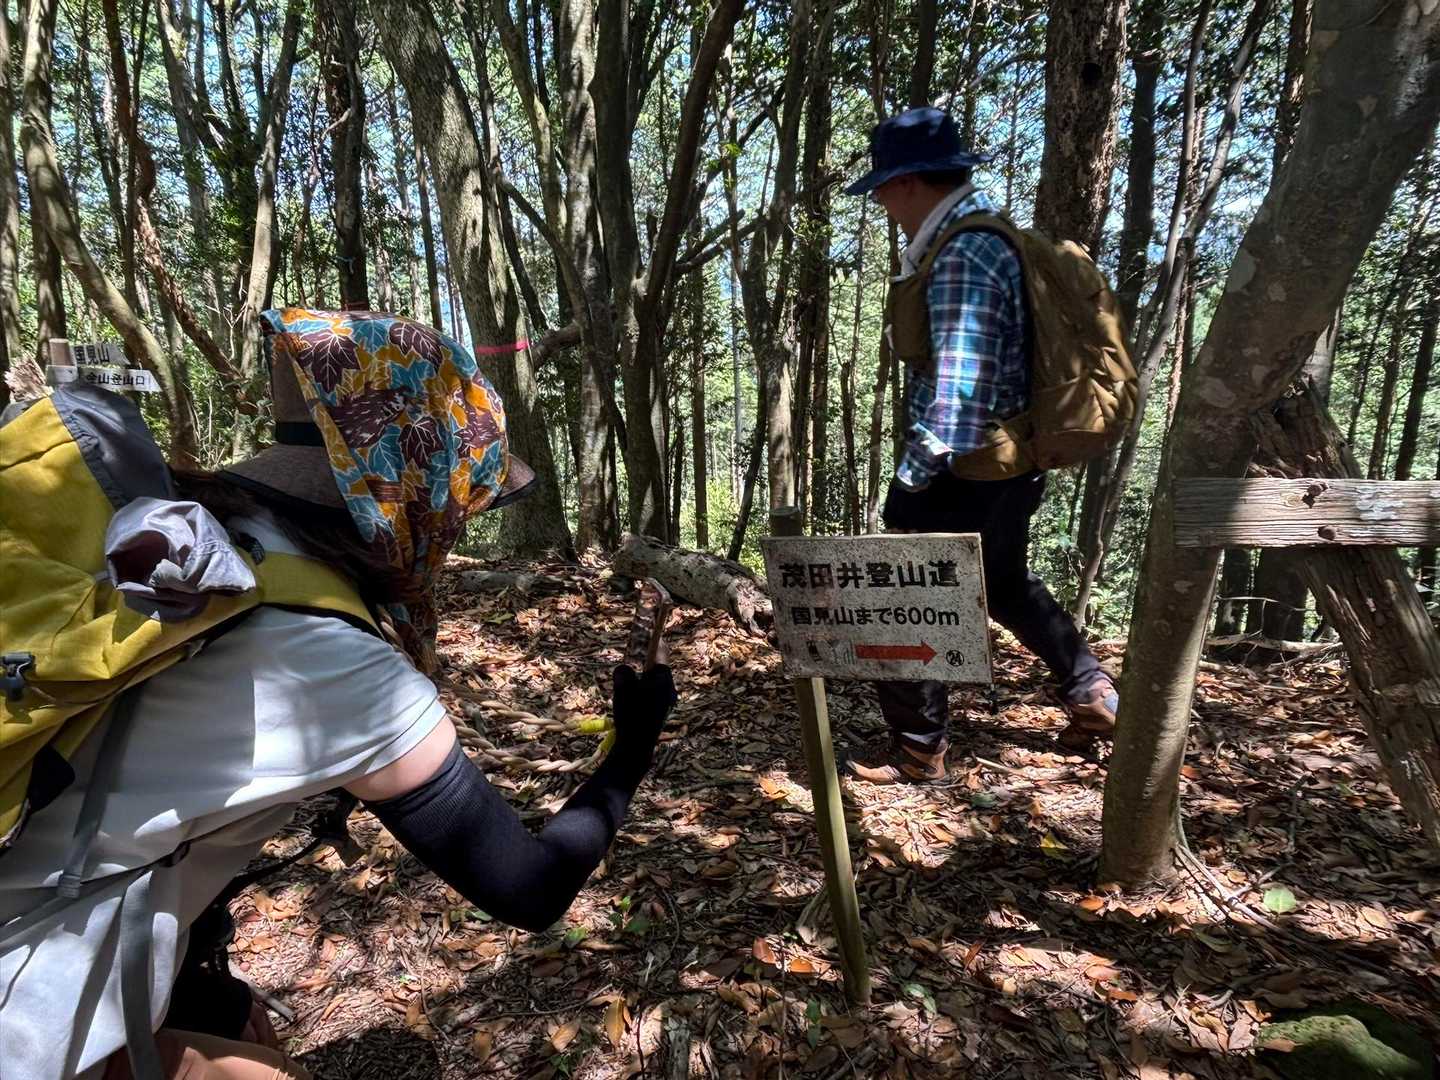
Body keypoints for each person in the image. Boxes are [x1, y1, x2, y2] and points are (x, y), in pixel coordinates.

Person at [0, 308, 678, 1080]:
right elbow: (530, 887)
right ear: (413, 488)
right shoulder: (327, 658)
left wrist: (195, 984)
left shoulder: (184, 537)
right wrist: (632, 747)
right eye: (460, 498)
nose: (457, 527)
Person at [841, 107, 1118, 785]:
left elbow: (960, 395)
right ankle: (1090, 688)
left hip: (964, 464)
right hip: (1009, 461)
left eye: (881, 190)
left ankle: (919, 749)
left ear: (906, 182)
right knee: (1002, 581)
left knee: (901, 596)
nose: (881, 205)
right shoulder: (987, 237)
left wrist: (910, 481)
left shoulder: (963, 254)